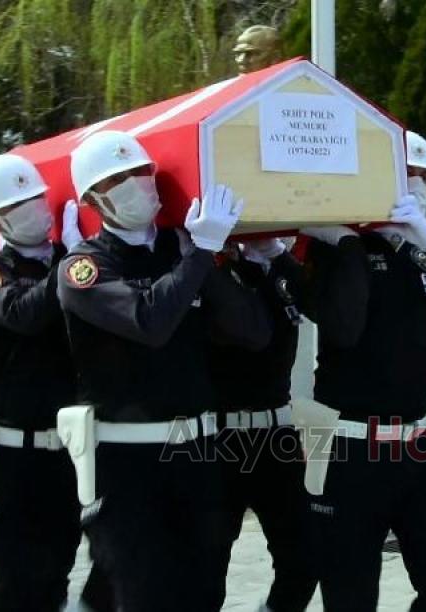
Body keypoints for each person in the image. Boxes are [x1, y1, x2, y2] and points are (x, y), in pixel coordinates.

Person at [57, 130, 271, 610]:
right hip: (128, 464)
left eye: (141, 171)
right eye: (119, 178)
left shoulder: (184, 250)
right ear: (94, 199)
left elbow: (254, 332)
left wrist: (211, 256)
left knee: (202, 594)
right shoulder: (84, 266)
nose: (138, 183)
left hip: (198, 455)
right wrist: (199, 252)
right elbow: (149, 321)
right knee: (145, 594)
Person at [295, 170, 426, 610]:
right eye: (405, 176)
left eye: (423, 179)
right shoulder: (333, 245)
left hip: (420, 446)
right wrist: (349, 242)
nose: (415, 187)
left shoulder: (425, 250)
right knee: (350, 596)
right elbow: (345, 328)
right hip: (351, 447)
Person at [0, 154, 82, 611]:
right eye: (19, 204)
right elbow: (25, 314)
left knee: (58, 570)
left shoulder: (72, 257)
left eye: (36, 197)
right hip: (17, 452)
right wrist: (73, 262)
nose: (35, 208)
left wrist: (75, 257)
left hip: (71, 450)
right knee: (17, 579)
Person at [208, 238, 317, 612]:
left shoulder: (285, 278)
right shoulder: (215, 275)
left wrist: (274, 256)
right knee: (207, 565)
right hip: (220, 438)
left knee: (303, 556)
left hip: (277, 435)